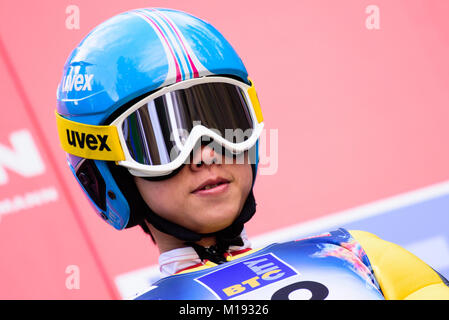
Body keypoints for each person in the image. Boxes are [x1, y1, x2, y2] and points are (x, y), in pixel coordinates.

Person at [55, 8, 449, 300]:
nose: (206, 154)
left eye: (224, 120)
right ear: (108, 173)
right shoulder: (357, 257)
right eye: (165, 139)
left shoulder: (362, 253)